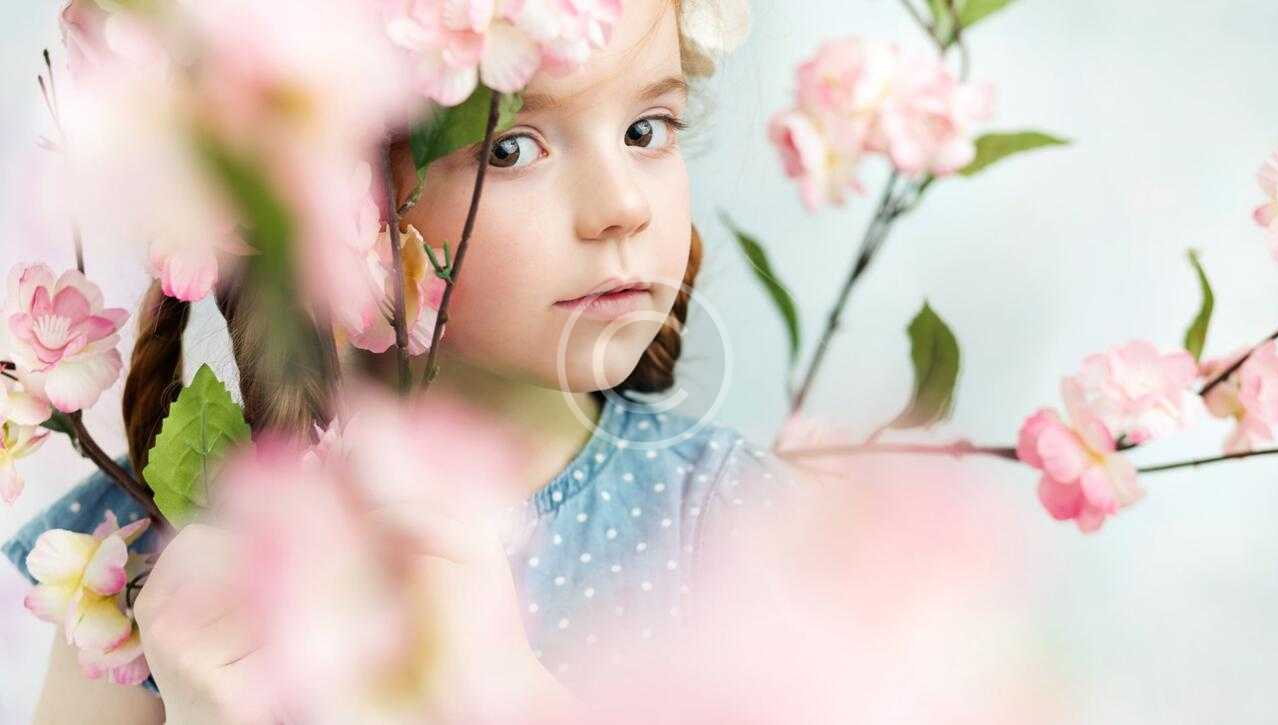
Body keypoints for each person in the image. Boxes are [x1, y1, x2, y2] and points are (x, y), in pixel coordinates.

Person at [3, 0, 804, 721]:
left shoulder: (729, 524)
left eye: (646, 131)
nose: (623, 206)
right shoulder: (149, 563)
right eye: (510, 149)